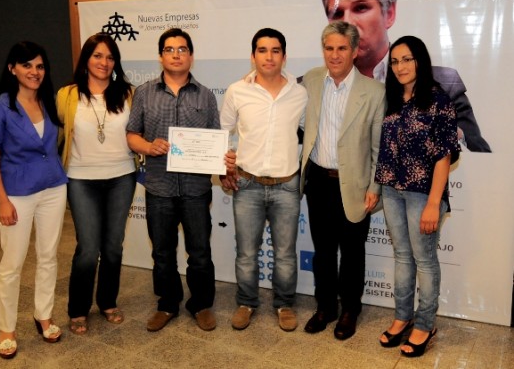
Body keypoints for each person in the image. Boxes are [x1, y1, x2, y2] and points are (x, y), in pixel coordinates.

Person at [126, 28, 234, 332]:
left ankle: (200, 304)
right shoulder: (144, 93)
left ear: (191, 55)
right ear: (160, 55)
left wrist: (224, 160)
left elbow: (216, 140)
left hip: (196, 189)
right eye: (170, 49)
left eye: (182, 49)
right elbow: (131, 134)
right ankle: (167, 303)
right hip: (159, 188)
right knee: (162, 252)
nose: (176, 54)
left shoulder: (205, 95)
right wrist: (148, 147)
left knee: (199, 251)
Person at [321, 0, 491, 152]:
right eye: (337, 13)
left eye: (361, 8)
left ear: (389, 13)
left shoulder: (445, 84)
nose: (348, 23)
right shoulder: (312, 86)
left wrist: (455, 134)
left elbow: (478, 151)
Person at [0, 41, 68, 359]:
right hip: (16, 194)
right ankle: (7, 328)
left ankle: (43, 315)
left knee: (48, 257)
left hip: (54, 188)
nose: (35, 72)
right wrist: (2, 201)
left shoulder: (48, 101)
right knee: (12, 264)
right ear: (12, 68)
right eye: (27, 65)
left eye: (40, 66)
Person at [300, 22, 386, 340]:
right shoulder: (310, 80)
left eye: (341, 48)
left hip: (356, 186)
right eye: (329, 48)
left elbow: (379, 148)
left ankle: (350, 310)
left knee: (352, 252)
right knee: (323, 251)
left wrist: (375, 188)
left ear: (353, 51)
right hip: (318, 182)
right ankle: (325, 308)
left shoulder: (374, 91)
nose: (334, 55)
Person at [375, 36, 460, 357]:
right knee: (402, 257)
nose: (400, 67)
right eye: (395, 61)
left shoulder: (438, 99)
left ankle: (425, 323)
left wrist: (434, 203)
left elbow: (443, 155)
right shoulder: (393, 98)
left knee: (425, 260)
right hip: (391, 189)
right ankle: (402, 318)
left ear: (420, 61)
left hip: (423, 194)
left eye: (407, 59)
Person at [219, 28, 307, 332]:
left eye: (275, 50)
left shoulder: (300, 92)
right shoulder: (236, 91)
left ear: (284, 55)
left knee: (285, 253)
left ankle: (284, 304)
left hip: (287, 186)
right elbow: (222, 131)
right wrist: (223, 166)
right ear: (253, 55)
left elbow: (311, 134)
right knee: (246, 252)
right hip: (247, 185)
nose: (269, 56)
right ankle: (246, 302)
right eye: (262, 50)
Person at [57, 32, 137, 335]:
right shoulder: (67, 95)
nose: (104, 62)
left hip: (121, 178)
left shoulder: (128, 93)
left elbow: (137, 130)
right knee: (88, 248)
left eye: (109, 57)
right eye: (97, 56)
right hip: (80, 179)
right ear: (86, 59)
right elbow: (57, 136)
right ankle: (78, 309)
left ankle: (107, 302)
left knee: (113, 247)